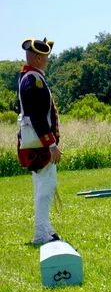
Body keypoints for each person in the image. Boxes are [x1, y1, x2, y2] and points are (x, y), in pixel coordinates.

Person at [17, 37, 63, 245]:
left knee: (44, 187)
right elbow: (36, 116)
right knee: (46, 188)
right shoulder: (33, 80)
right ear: (38, 57)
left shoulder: (32, 77)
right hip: (40, 144)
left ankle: (45, 230)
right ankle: (42, 234)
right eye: (45, 56)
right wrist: (51, 144)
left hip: (38, 143)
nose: (47, 60)